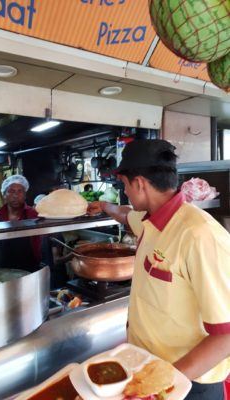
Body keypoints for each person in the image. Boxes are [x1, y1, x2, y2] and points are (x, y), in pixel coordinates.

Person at [87, 139, 230, 400]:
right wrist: (105, 207)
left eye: (125, 185)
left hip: (188, 384)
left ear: (140, 183)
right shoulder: (150, 220)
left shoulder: (198, 235)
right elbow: (124, 215)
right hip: (150, 368)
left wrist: (163, 383)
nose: (125, 192)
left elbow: (226, 336)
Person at [0, 174, 41, 272]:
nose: (16, 195)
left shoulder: (34, 215)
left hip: (29, 270)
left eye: (20, 191)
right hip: (1, 270)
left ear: (25, 195)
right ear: (4, 194)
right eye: (11, 191)